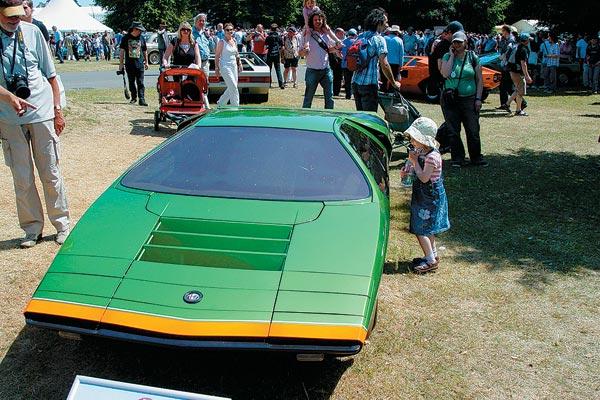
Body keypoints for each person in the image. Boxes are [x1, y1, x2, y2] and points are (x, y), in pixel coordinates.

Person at [0, 0, 70, 248]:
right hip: (9, 118)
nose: (15, 19)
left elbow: (51, 75)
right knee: (22, 177)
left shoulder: (32, 32)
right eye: (9, 15)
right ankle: (32, 230)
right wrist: (9, 98)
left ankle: (62, 225)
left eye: (19, 14)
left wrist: (57, 111)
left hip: (41, 113)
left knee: (50, 172)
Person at [399, 117, 449, 274]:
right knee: (427, 229)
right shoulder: (422, 152)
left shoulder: (432, 156)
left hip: (429, 199)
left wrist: (414, 162)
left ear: (423, 140)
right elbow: (416, 174)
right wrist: (407, 172)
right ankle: (432, 255)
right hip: (423, 198)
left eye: (414, 138)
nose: (412, 141)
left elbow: (424, 178)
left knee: (421, 229)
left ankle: (430, 261)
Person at [440, 31, 488, 167]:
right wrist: (451, 56)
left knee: (473, 130)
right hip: (450, 100)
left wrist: (478, 99)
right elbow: (445, 74)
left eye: (459, 42)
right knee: (453, 131)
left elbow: (479, 80)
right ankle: (457, 158)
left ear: (465, 42)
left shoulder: (472, 57)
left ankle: (476, 157)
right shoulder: (447, 56)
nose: (457, 44)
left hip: (469, 99)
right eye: (454, 42)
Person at [351, 8, 401, 111]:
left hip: (355, 82)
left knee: (360, 116)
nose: (387, 25)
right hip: (369, 85)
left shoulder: (361, 36)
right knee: (369, 118)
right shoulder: (379, 39)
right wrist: (393, 82)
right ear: (379, 23)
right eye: (386, 22)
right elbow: (384, 64)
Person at [298, 10, 335, 109]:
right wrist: (304, 52)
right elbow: (300, 53)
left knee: (330, 97)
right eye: (315, 20)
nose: (318, 21)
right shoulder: (307, 33)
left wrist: (336, 48)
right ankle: (305, 116)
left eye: (320, 19)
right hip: (312, 70)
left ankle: (329, 115)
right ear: (311, 21)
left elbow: (329, 49)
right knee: (308, 98)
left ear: (323, 20)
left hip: (326, 70)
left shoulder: (327, 33)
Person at [427, 21, 463, 101]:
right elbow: (441, 68)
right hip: (442, 84)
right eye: (457, 34)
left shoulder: (447, 44)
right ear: (449, 33)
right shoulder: (443, 45)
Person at [119, 21, 148, 106]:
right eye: (140, 30)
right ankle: (133, 98)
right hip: (129, 64)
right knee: (131, 82)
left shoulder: (142, 38)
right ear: (134, 29)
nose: (141, 32)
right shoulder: (125, 38)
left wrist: (146, 62)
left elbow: (144, 50)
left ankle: (142, 99)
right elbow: (122, 51)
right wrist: (121, 63)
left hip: (140, 64)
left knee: (140, 82)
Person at [504, 33, 533, 116]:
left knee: (518, 89)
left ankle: (507, 104)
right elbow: (523, 64)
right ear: (526, 40)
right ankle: (518, 110)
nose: (529, 41)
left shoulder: (517, 46)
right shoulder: (523, 49)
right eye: (528, 39)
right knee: (521, 92)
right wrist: (527, 76)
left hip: (513, 70)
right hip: (517, 72)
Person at [214, 22, 242, 106]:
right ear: (224, 31)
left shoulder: (234, 41)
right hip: (225, 66)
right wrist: (216, 68)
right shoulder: (221, 42)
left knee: (233, 86)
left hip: (234, 66)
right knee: (233, 87)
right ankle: (235, 107)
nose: (229, 31)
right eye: (227, 30)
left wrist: (240, 63)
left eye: (231, 30)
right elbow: (217, 56)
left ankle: (221, 103)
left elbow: (237, 54)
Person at [191, 13, 211, 108]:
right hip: (195, 63)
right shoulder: (191, 33)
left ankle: (205, 104)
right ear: (196, 21)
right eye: (200, 21)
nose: (202, 23)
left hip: (205, 62)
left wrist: (209, 36)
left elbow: (212, 47)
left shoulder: (204, 33)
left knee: (205, 83)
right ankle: (196, 103)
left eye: (203, 21)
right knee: (195, 83)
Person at [497, 25, 515, 111]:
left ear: (506, 31)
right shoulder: (505, 39)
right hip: (505, 65)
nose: (502, 32)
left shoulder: (511, 40)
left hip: (508, 65)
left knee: (507, 86)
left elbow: (508, 52)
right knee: (503, 86)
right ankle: (504, 104)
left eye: (503, 31)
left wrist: (503, 57)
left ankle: (522, 103)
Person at [381, 24, 403, 92]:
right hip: (395, 64)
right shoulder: (399, 40)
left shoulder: (384, 38)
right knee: (393, 82)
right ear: (397, 32)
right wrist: (401, 66)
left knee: (383, 80)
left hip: (384, 61)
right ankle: (391, 94)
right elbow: (401, 55)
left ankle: (383, 93)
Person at [265, 23, 284, 89]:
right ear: (276, 29)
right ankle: (281, 84)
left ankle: (269, 83)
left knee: (269, 69)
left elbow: (266, 45)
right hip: (277, 54)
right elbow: (282, 46)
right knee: (278, 69)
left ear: (270, 29)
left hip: (270, 54)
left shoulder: (268, 37)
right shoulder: (279, 37)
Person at [341, 28, 357, 99]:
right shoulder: (356, 42)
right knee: (354, 80)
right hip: (354, 64)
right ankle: (354, 94)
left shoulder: (343, 42)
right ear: (355, 34)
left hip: (345, 64)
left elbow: (342, 53)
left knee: (347, 80)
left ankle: (348, 95)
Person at [330, 27, 344, 96]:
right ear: (337, 33)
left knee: (338, 77)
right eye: (342, 33)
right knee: (334, 77)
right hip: (333, 60)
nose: (343, 35)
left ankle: (336, 91)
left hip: (338, 61)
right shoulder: (332, 41)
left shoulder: (340, 41)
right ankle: (334, 91)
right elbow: (335, 52)